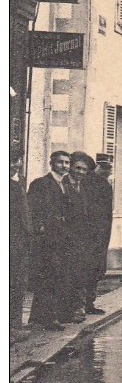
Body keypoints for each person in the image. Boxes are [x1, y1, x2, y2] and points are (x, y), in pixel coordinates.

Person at [27, 151, 72, 331]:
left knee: (56, 276)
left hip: (61, 239)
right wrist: (41, 228)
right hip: (46, 239)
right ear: (51, 163)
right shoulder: (41, 184)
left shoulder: (66, 185)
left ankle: (42, 317)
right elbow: (33, 208)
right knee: (47, 277)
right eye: (60, 162)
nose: (64, 166)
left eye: (67, 163)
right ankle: (46, 318)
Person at [74, 151, 113, 314]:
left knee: (95, 268)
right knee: (85, 268)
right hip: (88, 234)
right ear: (96, 167)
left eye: (109, 167)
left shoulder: (104, 184)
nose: (108, 170)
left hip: (101, 234)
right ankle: (82, 305)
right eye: (104, 167)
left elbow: (107, 213)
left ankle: (88, 303)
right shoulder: (86, 183)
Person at [62, 153, 92, 323]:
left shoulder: (85, 187)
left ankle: (78, 308)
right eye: (77, 168)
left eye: (84, 169)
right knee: (67, 275)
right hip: (67, 238)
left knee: (80, 274)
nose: (80, 172)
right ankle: (68, 311)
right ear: (71, 168)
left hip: (82, 239)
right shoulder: (63, 185)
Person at [10, 146, 32, 341]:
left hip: (20, 242)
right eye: (11, 160)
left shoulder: (19, 182)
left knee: (18, 284)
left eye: (17, 160)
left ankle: (14, 326)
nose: (15, 164)